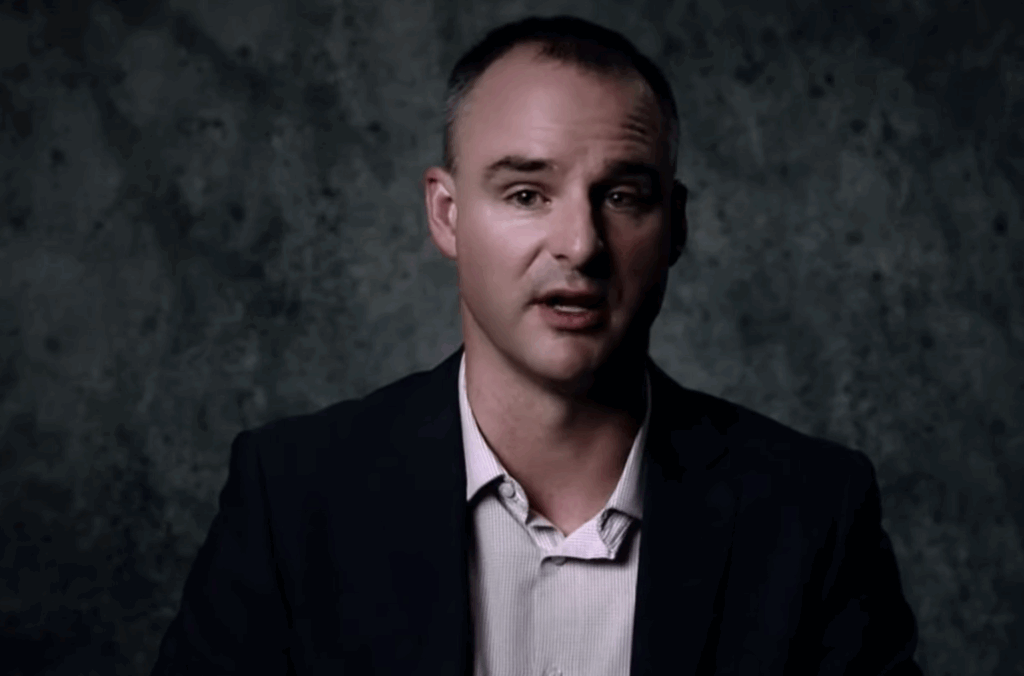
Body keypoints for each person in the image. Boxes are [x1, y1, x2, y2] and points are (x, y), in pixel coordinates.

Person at [152, 15, 922, 676]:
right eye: (526, 194)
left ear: (676, 227)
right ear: (447, 215)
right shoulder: (293, 499)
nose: (580, 244)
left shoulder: (811, 513)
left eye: (622, 196)